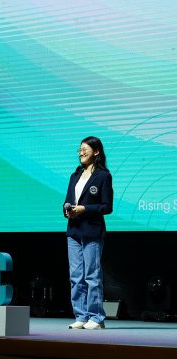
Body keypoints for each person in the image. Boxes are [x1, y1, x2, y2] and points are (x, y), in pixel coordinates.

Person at [63, 136, 113, 330]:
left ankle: (96, 317)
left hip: (92, 230)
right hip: (73, 230)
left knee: (92, 275)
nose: (81, 152)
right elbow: (68, 200)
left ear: (96, 151)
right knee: (75, 276)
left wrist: (84, 209)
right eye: (79, 149)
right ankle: (81, 315)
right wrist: (67, 209)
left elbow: (106, 207)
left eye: (85, 149)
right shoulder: (75, 175)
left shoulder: (103, 176)